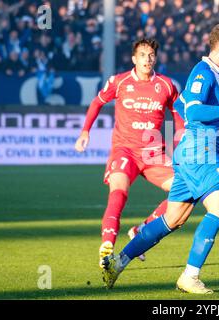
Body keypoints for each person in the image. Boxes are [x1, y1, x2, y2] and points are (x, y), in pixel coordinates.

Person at [101, 23, 219, 294]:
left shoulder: (212, 74)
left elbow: (181, 104)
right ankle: (190, 276)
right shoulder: (204, 72)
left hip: (190, 151)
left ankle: (118, 262)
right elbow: (195, 113)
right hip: (200, 151)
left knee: (172, 219)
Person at [74, 38, 184, 268]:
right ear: (134, 59)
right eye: (143, 54)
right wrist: (85, 131)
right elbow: (96, 103)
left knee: (184, 192)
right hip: (125, 149)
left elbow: (177, 113)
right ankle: (107, 246)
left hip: (153, 153)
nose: (148, 59)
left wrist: (181, 135)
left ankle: (142, 230)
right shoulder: (120, 81)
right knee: (118, 192)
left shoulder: (166, 85)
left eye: (152, 54)